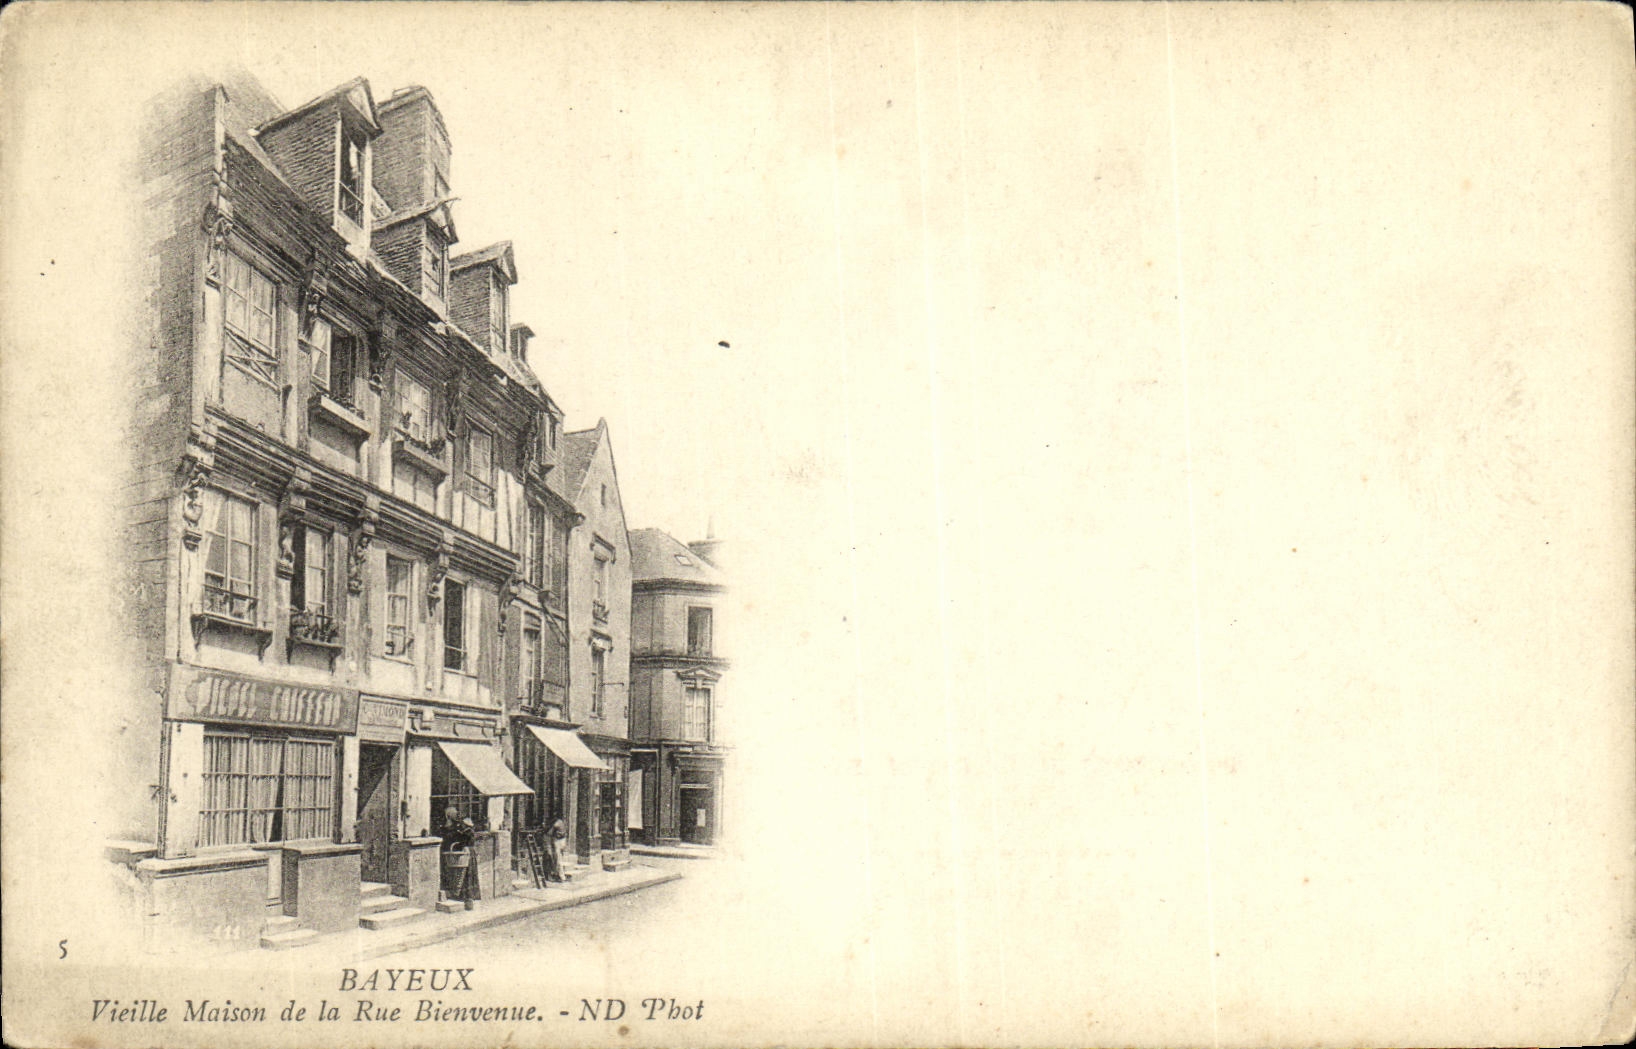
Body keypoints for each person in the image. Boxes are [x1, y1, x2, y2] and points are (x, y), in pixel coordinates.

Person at [441, 806, 477, 908]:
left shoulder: (466, 831)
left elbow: (461, 839)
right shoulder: (461, 829)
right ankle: (466, 897)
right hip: (463, 853)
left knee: (466, 874)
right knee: (464, 875)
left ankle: (468, 898)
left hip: (465, 854)